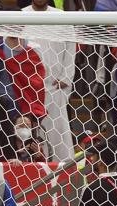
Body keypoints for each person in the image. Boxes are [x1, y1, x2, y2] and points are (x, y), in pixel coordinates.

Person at [22, 0, 76, 163]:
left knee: (59, 136)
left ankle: (64, 176)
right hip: (29, 90)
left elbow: (70, 47)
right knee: (32, 138)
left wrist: (66, 77)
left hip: (55, 88)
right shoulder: (21, 15)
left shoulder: (61, 17)